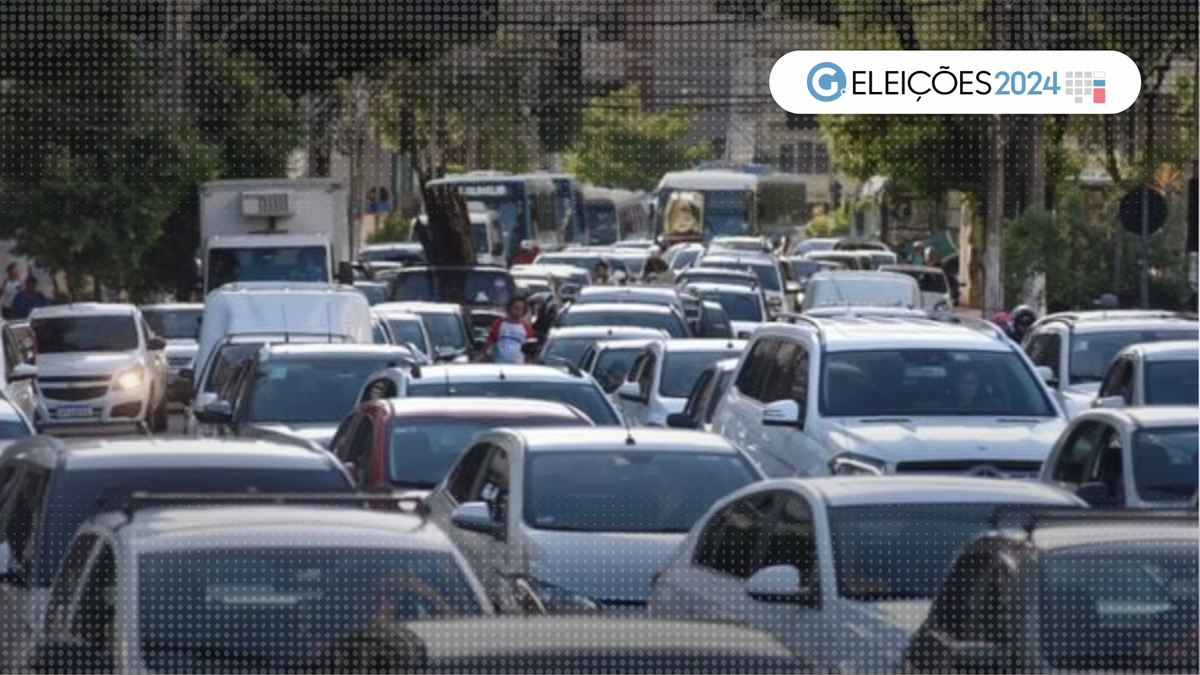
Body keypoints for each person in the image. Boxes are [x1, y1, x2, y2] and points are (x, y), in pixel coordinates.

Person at [482, 296, 534, 364]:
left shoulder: (526, 327)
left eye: (521, 309)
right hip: (499, 363)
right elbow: (490, 341)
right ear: (509, 308)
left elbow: (529, 349)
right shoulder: (499, 323)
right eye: (516, 308)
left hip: (518, 365)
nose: (518, 311)